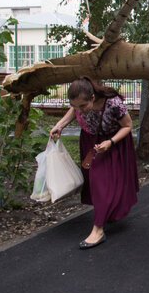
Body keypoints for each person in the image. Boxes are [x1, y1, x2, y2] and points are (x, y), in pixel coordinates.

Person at [50, 77, 139, 249]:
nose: (79, 110)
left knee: (101, 182)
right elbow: (73, 111)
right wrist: (60, 125)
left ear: (92, 97)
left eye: (83, 106)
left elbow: (128, 126)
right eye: (75, 106)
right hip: (90, 143)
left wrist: (110, 142)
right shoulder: (79, 105)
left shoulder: (113, 103)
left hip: (112, 144)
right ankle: (107, 212)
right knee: (95, 183)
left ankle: (97, 230)